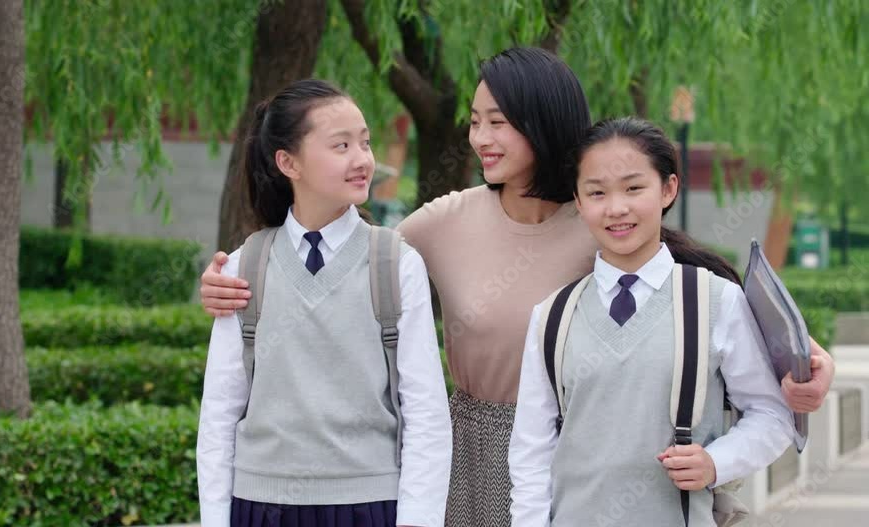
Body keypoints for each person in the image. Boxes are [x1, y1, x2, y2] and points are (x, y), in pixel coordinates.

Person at [198, 48, 835, 527]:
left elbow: (717, 311)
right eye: (475, 121)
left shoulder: (604, 220)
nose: (480, 138)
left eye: (498, 122)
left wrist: (809, 363)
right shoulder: (443, 222)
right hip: (467, 456)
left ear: (541, 121)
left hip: (578, 457)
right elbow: (341, 258)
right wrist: (228, 283)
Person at [509, 117, 794, 526]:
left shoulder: (717, 300)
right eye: (597, 192)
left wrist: (716, 462)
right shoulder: (552, 317)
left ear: (668, 189)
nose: (616, 208)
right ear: (579, 201)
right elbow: (531, 452)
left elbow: (772, 414)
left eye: (633, 188)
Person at [196, 79, 452, 527]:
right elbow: (219, 413)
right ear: (288, 162)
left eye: (365, 142)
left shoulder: (395, 264)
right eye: (341, 145)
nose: (363, 159)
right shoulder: (244, 267)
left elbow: (426, 413)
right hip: (261, 508)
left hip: (369, 506)